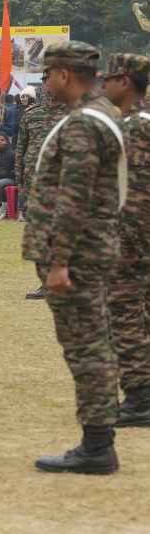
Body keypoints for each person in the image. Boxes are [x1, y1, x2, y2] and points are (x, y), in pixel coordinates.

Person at [23, 41, 125, 475]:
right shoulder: (104, 113)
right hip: (94, 248)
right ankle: (98, 440)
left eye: (47, 75)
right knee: (93, 344)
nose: (45, 83)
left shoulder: (84, 123)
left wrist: (60, 260)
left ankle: (97, 445)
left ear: (64, 74)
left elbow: (73, 198)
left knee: (86, 349)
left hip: (78, 255)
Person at [102, 53, 150, 428]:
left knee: (126, 315)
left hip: (134, 243)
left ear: (126, 82)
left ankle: (140, 400)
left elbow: (133, 193)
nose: (103, 84)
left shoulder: (134, 127)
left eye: (110, 78)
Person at [17, 78, 68, 299]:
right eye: (46, 83)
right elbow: (21, 148)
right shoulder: (30, 114)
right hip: (35, 184)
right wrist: (19, 180)